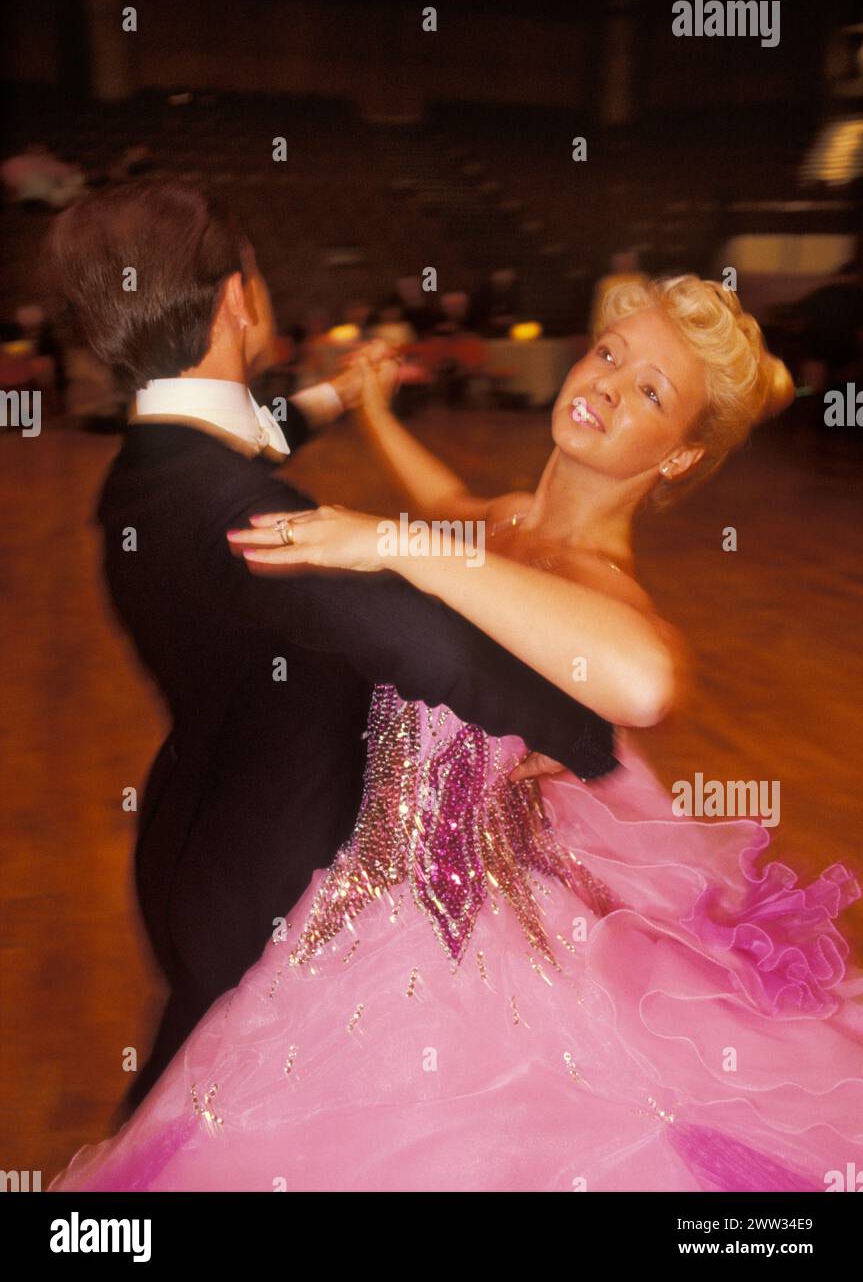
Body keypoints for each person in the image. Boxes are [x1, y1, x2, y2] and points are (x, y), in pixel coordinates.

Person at [50, 274, 863, 1192]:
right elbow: (446, 502)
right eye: (608, 355)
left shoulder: (598, 580)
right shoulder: (507, 522)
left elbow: (643, 680)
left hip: (447, 937)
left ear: (675, 457)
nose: (604, 385)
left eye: (648, 393)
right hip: (351, 897)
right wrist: (371, 412)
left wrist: (394, 544)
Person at [43, 180, 619, 1123]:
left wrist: (341, 396)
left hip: (196, 830)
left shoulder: (151, 465)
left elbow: (242, 440)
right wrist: (582, 734)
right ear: (238, 300)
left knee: (184, 1105)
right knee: (214, 1127)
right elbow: (420, 641)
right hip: (272, 871)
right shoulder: (236, 511)